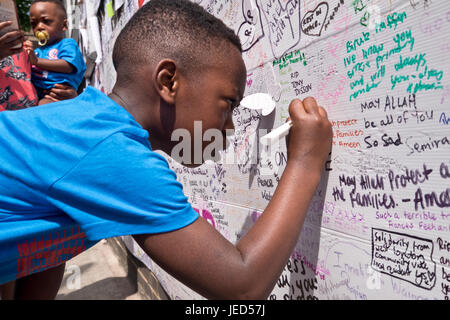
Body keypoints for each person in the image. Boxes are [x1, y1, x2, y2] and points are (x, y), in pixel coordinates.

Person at [0, 0, 332, 300]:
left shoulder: (85, 124)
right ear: (169, 81)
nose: (230, 127)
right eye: (228, 103)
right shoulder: (112, 153)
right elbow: (242, 285)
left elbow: (44, 245)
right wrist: (304, 162)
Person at [0, 19, 80, 300]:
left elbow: (37, 91)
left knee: (48, 247)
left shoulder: (26, 49)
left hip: (34, 161)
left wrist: (63, 97)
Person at [23, 0, 86, 105]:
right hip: (38, 93)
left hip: (58, 95)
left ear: (64, 25)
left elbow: (68, 65)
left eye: (46, 21)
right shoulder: (37, 52)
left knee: (42, 106)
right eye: (34, 24)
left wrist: (37, 61)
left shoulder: (67, 44)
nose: (39, 27)